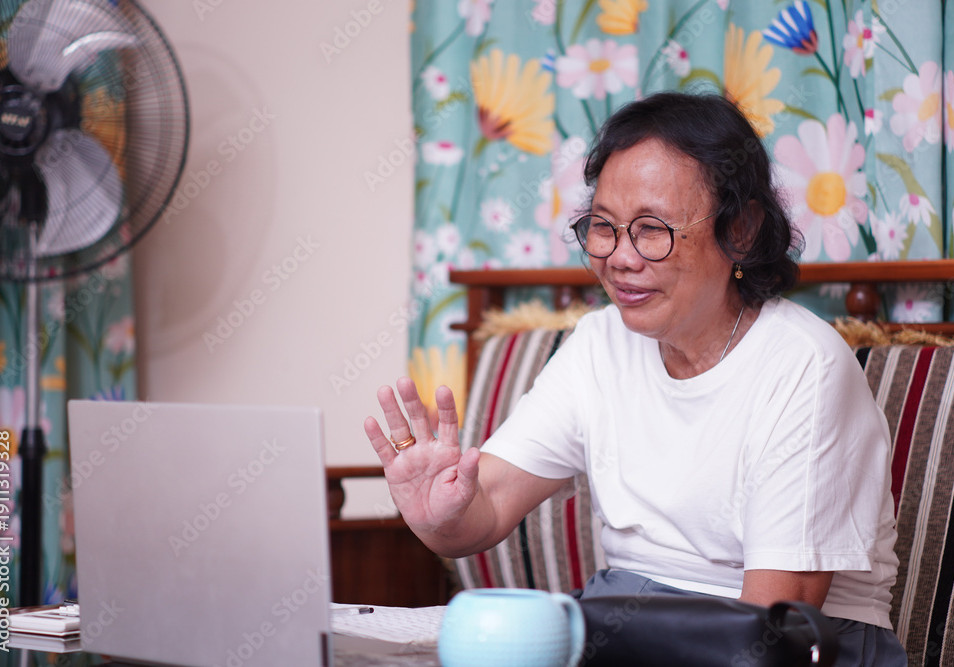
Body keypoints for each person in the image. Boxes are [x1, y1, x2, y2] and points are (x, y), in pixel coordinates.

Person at [365, 92, 906, 666]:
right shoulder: (600, 344)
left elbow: (773, 630)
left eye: (651, 229)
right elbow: (485, 507)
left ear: (741, 230)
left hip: (780, 645)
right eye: (604, 227)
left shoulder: (804, 366)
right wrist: (440, 514)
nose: (620, 257)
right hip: (623, 630)